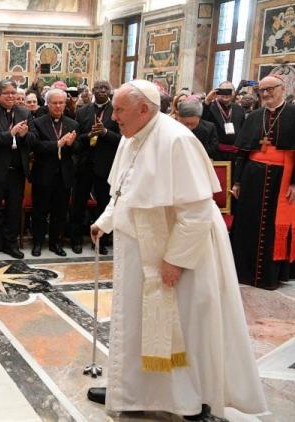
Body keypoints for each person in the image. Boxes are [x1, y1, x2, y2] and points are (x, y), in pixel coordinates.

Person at [87, 80, 267, 420]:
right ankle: (134, 392)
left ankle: (188, 398)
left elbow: (196, 211)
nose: (113, 117)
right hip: (141, 252)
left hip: (176, 257)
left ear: (144, 109)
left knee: (181, 328)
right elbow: (123, 191)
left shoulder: (177, 140)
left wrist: (175, 260)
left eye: (119, 110)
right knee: (135, 324)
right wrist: (105, 221)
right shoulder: (131, 138)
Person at [232, 75, 295, 290]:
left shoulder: (293, 114)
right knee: (248, 222)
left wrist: (294, 183)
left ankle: (270, 277)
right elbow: (242, 152)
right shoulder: (254, 116)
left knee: (272, 227)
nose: (266, 94)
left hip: (282, 178)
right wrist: (237, 182)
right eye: (262, 90)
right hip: (252, 178)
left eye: (270, 89)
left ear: (283, 88)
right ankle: (244, 273)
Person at [0, 79, 34, 259]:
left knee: (13, 209)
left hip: (16, 171)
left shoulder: (24, 112)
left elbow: (33, 140)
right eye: (7, 93)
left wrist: (25, 135)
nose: (11, 96)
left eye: (13, 92)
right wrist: (9, 134)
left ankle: (10, 243)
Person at [70, 80, 120, 255]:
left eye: (106, 88)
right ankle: (75, 240)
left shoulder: (116, 111)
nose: (103, 90)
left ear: (110, 91)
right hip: (84, 165)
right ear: (93, 91)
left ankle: (101, 241)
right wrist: (89, 135)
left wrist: (105, 133)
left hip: (105, 165)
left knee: (104, 205)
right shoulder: (83, 111)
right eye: (99, 88)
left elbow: (122, 139)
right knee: (78, 204)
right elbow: (77, 138)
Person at [29, 88, 77, 257]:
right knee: (40, 211)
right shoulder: (37, 122)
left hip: (64, 175)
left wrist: (71, 145)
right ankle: (37, 243)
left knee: (60, 212)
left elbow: (77, 150)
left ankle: (56, 243)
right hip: (43, 173)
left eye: (61, 103)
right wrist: (58, 143)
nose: (58, 106)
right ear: (47, 104)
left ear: (65, 104)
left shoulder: (72, 124)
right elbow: (37, 147)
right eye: (54, 103)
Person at [203, 81, 245, 163]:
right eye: (223, 91)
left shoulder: (239, 109)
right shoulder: (209, 106)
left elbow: (243, 130)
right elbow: (202, 121)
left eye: (229, 91)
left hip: (234, 154)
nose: (226, 94)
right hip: (215, 153)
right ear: (217, 92)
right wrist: (207, 101)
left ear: (234, 92)